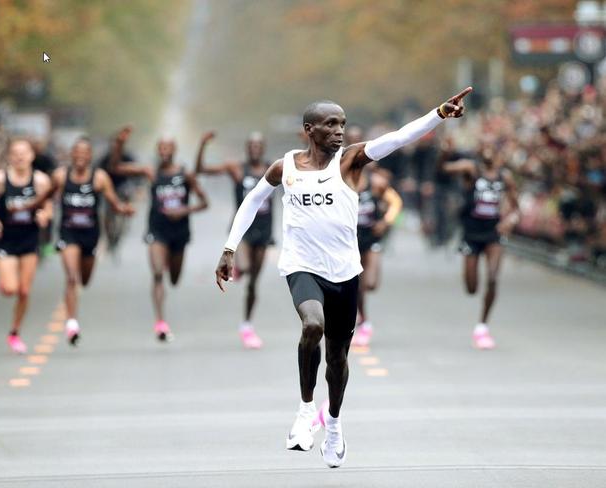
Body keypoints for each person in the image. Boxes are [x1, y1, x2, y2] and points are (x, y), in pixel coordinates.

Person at [215, 87, 472, 467]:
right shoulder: (285, 167)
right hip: (302, 266)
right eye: (330, 124)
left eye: (342, 124)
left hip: (345, 272)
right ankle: (305, 412)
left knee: (337, 358)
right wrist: (229, 248)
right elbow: (253, 199)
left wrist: (439, 114)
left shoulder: (351, 162)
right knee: (312, 326)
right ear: (309, 129)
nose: (339, 131)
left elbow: (397, 139)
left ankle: (333, 423)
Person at [50, 137, 134, 345]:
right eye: (76, 152)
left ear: (90, 156)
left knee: (84, 280)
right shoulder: (61, 176)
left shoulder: (99, 178)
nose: (80, 156)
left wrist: (124, 209)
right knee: (71, 277)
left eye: (84, 152)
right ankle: (72, 324)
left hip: (90, 234)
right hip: (68, 233)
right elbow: (47, 198)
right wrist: (43, 211)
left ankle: (73, 313)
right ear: (72, 154)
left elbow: (113, 203)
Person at [195, 131, 273, 349]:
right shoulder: (237, 169)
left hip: (264, 231)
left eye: (259, 145)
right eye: (251, 145)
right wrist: (202, 145)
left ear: (263, 148)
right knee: (246, 268)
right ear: (247, 148)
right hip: (243, 230)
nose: (255, 148)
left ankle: (247, 325)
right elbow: (202, 170)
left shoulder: (273, 168)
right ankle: (238, 266)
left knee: (253, 283)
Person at [0, 138, 52, 353]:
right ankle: (4, 282)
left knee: (24, 291)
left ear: (31, 156)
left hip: (29, 239)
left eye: (24, 152)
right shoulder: (0, 179)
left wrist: (44, 215)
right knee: (10, 289)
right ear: (9, 157)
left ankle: (14, 332)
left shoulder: (40, 181)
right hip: (7, 239)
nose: (19, 157)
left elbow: (49, 206)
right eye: (15, 153)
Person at [443, 144, 519, 349]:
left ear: (499, 155)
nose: (489, 152)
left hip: (493, 232)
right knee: (471, 288)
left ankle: (482, 326)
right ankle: (480, 318)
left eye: (493, 149)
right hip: (471, 233)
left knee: (493, 278)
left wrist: (510, 221)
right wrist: (445, 152)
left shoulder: (505, 177)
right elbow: (443, 168)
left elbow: (515, 207)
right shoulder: (471, 170)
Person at [146, 137, 209, 341]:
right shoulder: (152, 173)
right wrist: (119, 144)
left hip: (179, 233)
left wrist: (184, 210)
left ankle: (168, 265)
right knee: (157, 273)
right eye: (161, 148)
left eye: (168, 148)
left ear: (174, 150)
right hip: (157, 231)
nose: (164, 151)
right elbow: (116, 167)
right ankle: (160, 323)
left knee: (173, 279)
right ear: (157, 150)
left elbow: (204, 202)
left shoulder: (185, 174)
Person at [352, 166, 402, 347]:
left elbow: (396, 203)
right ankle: (364, 322)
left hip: (371, 238)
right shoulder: (342, 181)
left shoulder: (376, 184)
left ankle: (360, 316)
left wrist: (386, 222)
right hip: (350, 241)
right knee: (357, 285)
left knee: (370, 284)